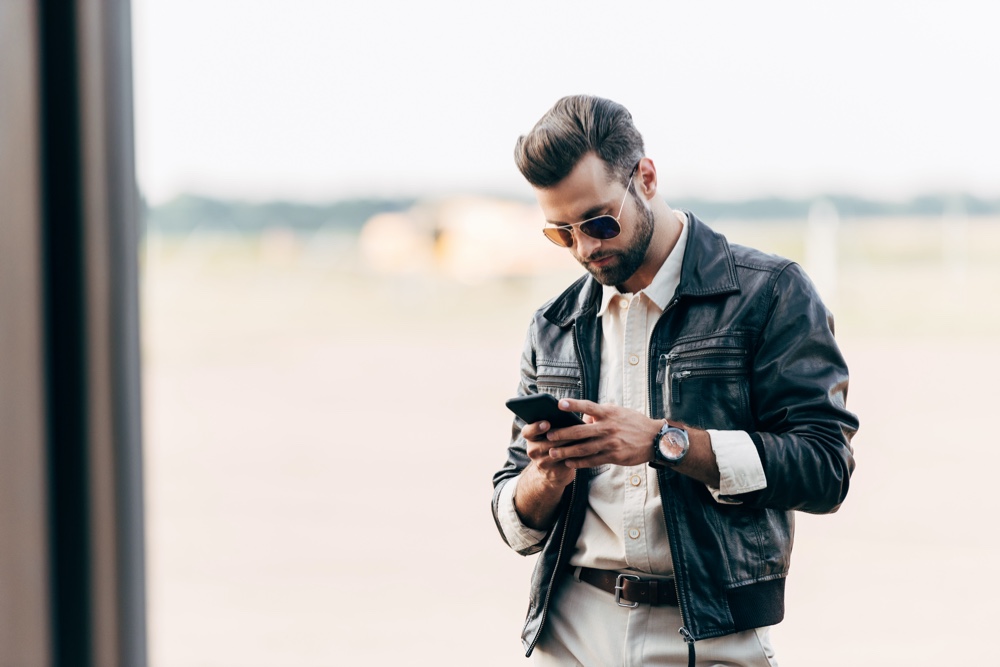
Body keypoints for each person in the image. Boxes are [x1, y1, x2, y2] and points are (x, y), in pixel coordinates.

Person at [491, 95, 858, 667]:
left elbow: (824, 468)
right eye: (561, 233)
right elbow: (515, 522)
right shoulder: (554, 324)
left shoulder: (770, 293)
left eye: (598, 221)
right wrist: (546, 477)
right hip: (568, 633)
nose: (585, 248)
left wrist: (667, 442)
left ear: (646, 177)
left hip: (711, 635)